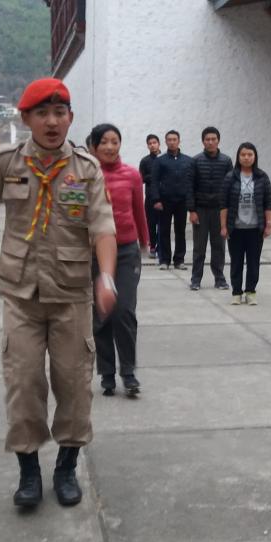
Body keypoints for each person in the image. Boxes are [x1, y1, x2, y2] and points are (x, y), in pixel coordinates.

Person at [0, 78, 118, 510]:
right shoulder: (6, 163)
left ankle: (65, 466)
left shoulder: (86, 169)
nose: (52, 122)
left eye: (60, 113)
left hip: (71, 295)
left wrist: (106, 277)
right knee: (24, 382)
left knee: (74, 384)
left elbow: (102, 226)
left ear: (70, 118)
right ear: (25, 117)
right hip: (21, 294)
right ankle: (28, 470)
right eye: (42, 114)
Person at [89, 123, 150, 397]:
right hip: (93, 252)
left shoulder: (132, 175)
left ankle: (128, 371)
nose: (111, 147)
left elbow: (139, 210)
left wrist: (145, 242)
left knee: (124, 310)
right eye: (105, 142)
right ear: (94, 146)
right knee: (101, 314)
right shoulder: (86, 176)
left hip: (126, 250)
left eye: (115, 141)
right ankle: (107, 373)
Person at [220, 142, 271, 305]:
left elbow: (268, 202)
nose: (246, 157)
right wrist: (223, 226)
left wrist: (268, 224)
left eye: (250, 154)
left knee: (253, 262)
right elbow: (224, 204)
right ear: (238, 157)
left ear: (254, 157)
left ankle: (250, 291)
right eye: (243, 155)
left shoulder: (262, 177)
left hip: (255, 229)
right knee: (236, 262)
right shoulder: (231, 177)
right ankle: (236, 292)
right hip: (235, 228)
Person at [188, 127, 233, 291]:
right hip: (200, 210)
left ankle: (220, 279)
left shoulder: (226, 161)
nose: (211, 142)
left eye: (214, 139)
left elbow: (230, 188)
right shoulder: (195, 161)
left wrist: (228, 211)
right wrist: (192, 211)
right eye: (207, 139)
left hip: (219, 211)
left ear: (218, 141)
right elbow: (190, 187)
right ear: (203, 141)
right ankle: (196, 279)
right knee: (199, 247)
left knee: (219, 246)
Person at [147, 130, 192, 270]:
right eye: (169, 140)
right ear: (165, 142)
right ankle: (164, 260)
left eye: (174, 139)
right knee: (164, 231)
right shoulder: (160, 161)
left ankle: (179, 260)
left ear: (179, 141)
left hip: (181, 202)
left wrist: (190, 201)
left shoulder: (188, 161)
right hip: (164, 201)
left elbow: (191, 182)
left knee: (180, 231)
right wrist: (156, 200)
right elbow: (154, 181)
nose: (172, 142)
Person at [138, 134, 161, 260]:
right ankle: (152, 247)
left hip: (164, 197)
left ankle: (161, 247)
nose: (152, 145)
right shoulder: (145, 161)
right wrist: (154, 177)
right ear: (147, 146)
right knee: (151, 224)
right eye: (150, 143)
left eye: (154, 142)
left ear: (159, 144)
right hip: (151, 197)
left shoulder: (165, 158)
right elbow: (141, 178)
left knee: (163, 224)